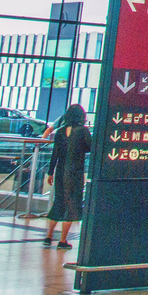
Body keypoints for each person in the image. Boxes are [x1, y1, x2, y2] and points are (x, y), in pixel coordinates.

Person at [43, 104, 89, 251]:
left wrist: (50, 173)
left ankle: (48, 237)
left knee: (59, 201)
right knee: (72, 204)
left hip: (60, 171)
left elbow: (55, 154)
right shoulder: (83, 131)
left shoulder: (60, 132)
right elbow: (90, 147)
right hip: (75, 172)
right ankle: (63, 240)